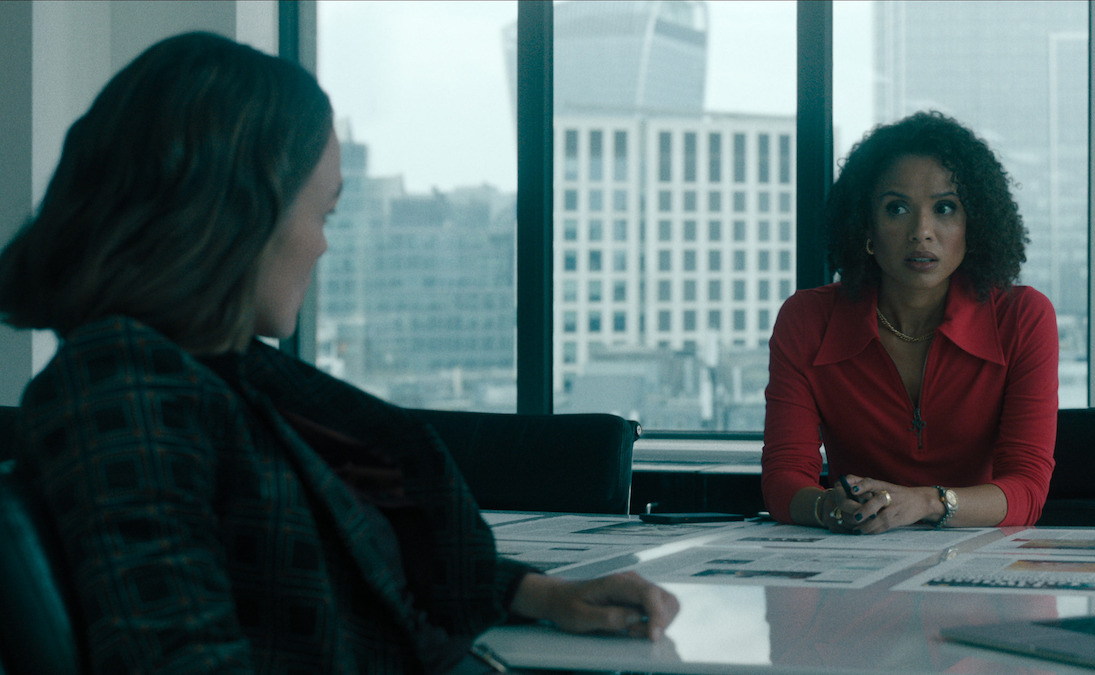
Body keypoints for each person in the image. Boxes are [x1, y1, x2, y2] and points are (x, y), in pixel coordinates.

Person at [0, 32, 677, 674]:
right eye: (322, 214)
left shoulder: (205, 376)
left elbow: (363, 551)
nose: (323, 246)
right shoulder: (127, 392)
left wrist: (541, 594)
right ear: (238, 212)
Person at [761, 111, 1058, 535]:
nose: (922, 232)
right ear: (865, 223)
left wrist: (925, 502)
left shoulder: (1023, 318)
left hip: (979, 565)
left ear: (975, 224)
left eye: (945, 208)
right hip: (856, 557)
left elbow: (1026, 489)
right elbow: (783, 478)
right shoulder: (807, 320)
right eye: (897, 208)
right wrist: (829, 506)